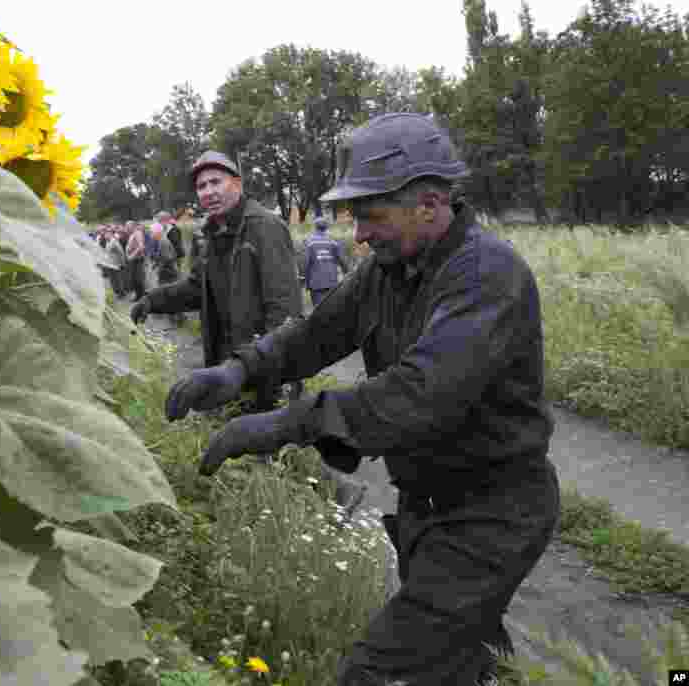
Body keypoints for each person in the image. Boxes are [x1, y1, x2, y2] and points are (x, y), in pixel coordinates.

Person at [162, 113, 560, 686]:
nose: (360, 236)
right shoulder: (389, 270)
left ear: (429, 202)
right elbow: (318, 333)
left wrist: (284, 424)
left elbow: (417, 394)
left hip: (491, 513)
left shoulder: (485, 275)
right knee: (469, 660)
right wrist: (236, 371)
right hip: (429, 510)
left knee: (377, 673)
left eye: (371, 216)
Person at [131, 150, 302, 413]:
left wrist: (268, 373)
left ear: (237, 183)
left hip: (264, 368)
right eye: (201, 186)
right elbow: (196, 287)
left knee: (265, 444)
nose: (208, 192)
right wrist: (152, 300)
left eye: (215, 182)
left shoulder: (265, 227)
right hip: (227, 363)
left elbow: (284, 311)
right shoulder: (209, 235)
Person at [302, 216, 353, 307]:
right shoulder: (333, 242)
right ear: (326, 227)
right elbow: (342, 260)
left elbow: (306, 263)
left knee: (318, 309)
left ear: (315, 227)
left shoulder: (309, 243)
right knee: (331, 308)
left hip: (316, 282)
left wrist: (306, 280)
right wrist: (349, 275)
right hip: (331, 281)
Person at [125, 220, 147, 300]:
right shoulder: (132, 234)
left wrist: (132, 255)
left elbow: (141, 246)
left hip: (138, 260)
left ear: (132, 226)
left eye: (127, 226)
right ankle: (138, 296)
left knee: (138, 279)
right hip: (134, 260)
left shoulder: (137, 233)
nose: (126, 228)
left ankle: (142, 296)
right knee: (134, 279)